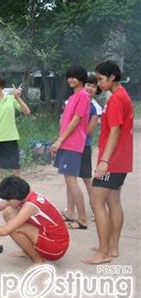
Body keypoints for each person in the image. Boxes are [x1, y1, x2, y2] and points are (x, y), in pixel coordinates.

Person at [83, 60, 134, 265]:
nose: (99, 83)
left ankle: (103, 252)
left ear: (112, 77)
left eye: (101, 79)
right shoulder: (123, 95)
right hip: (121, 159)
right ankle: (112, 247)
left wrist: (104, 161)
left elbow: (115, 131)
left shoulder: (115, 100)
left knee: (96, 201)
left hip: (111, 161)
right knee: (113, 201)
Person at [0, 176, 69, 267]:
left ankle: (38, 261)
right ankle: (28, 251)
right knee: (8, 211)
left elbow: (5, 231)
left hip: (56, 248)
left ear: (15, 196)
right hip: (47, 236)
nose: (7, 202)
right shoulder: (26, 196)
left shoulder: (30, 206)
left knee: (14, 228)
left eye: (9, 200)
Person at [50, 65, 91, 230]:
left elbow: (76, 120)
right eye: (69, 77)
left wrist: (60, 141)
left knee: (72, 181)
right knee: (69, 180)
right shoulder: (73, 97)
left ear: (81, 78)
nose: (71, 80)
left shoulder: (83, 96)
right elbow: (66, 121)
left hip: (73, 144)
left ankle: (82, 219)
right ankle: (70, 213)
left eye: (74, 77)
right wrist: (59, 139)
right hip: (66, 142)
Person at [0, 76, 31, 201]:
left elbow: (27, 112)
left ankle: (19, 196)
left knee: (15, 169)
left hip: (10, 138)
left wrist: (18, 98)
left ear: (2, 86)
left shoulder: (11, 99)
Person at [65, 75, 103, 223]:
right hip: (69, 144)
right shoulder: (72, 100)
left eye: (94, 86)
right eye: (88, 84)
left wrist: (71, 134)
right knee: (70, 178)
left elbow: (89, 130)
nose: (90, 88)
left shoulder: (95, 107)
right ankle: (70, 211)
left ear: (97, 90)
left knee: (87, 179)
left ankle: (96, 209)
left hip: (83, 146)